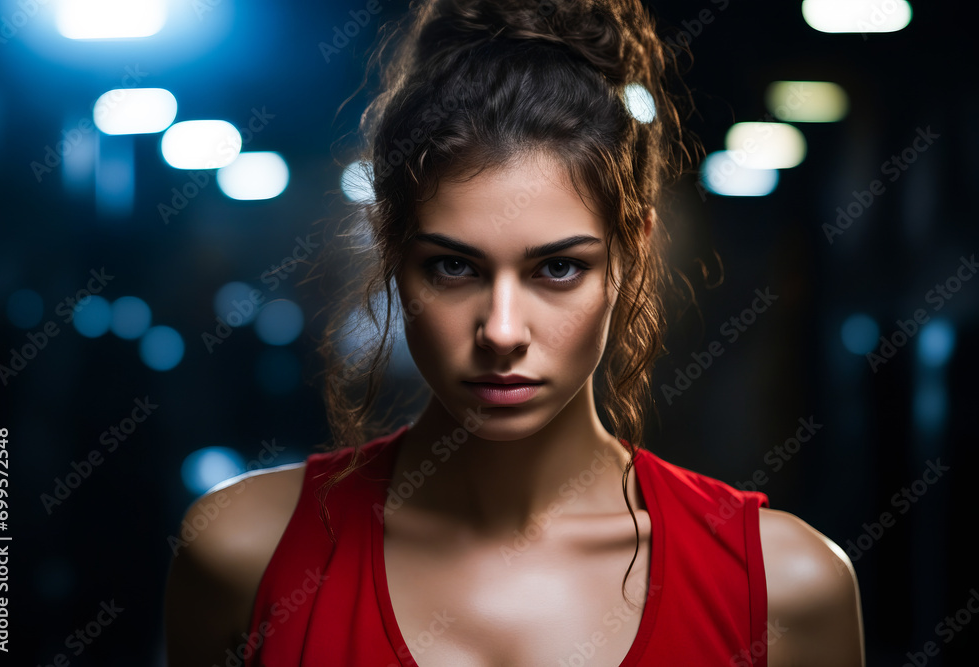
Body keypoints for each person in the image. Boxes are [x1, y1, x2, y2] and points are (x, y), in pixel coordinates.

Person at [163, 0, 866, 665]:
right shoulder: (244, 554)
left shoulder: (785, 589)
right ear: (393, 258)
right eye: (452, 266)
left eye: (557, 267)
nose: (501, 330)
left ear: (630, 256)